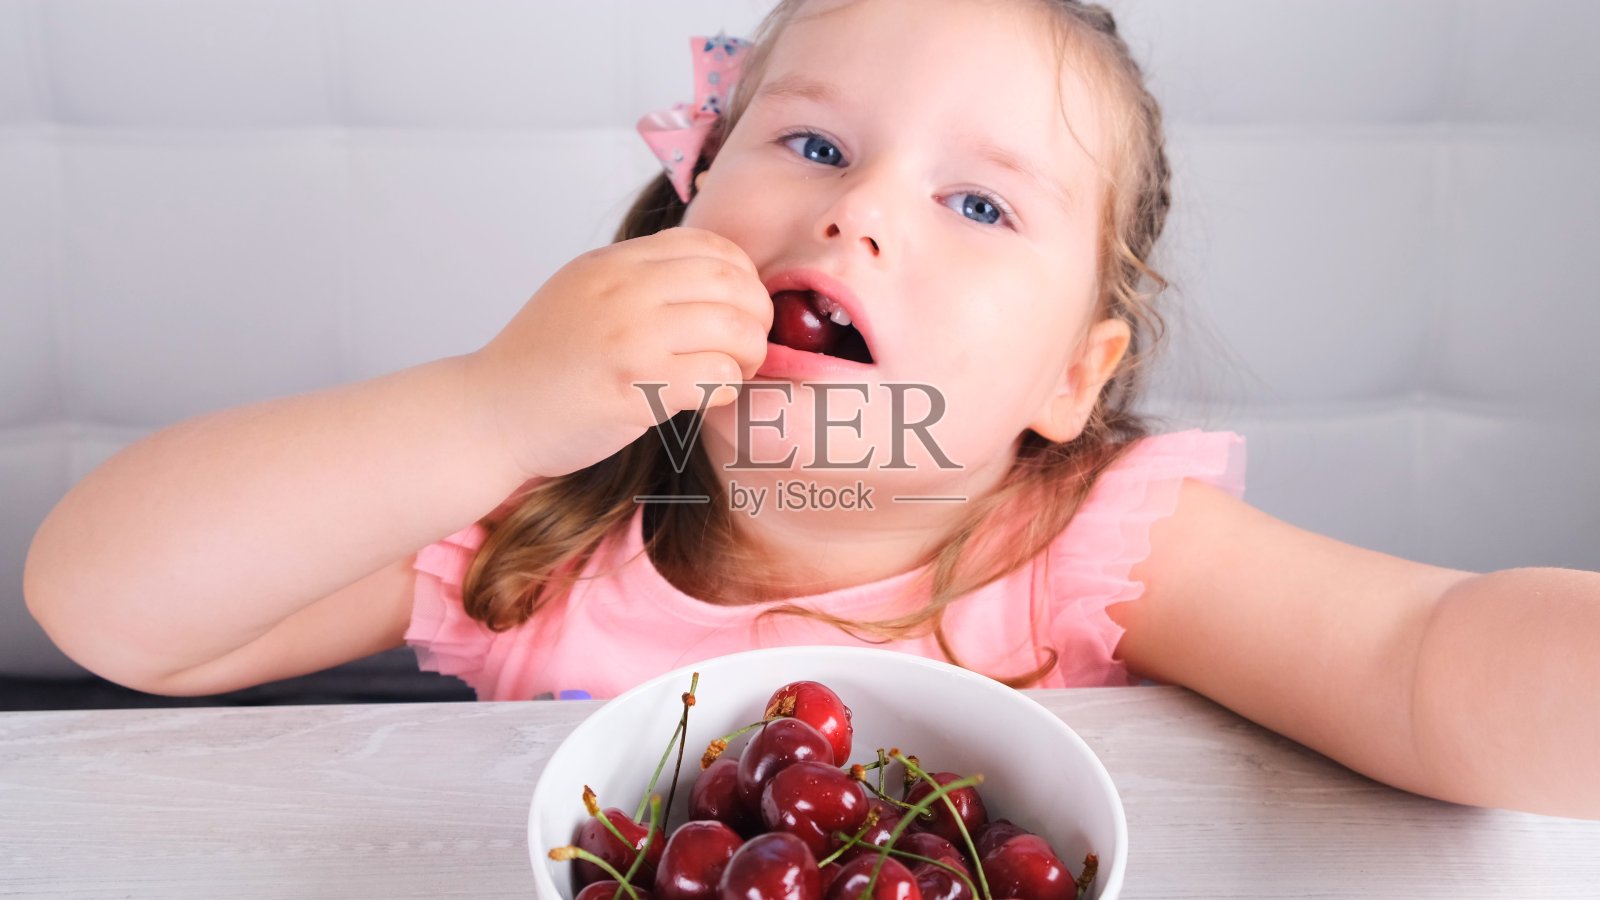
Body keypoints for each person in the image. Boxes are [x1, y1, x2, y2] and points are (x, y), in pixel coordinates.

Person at [23, 0, 1600, 820]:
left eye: (979, 205)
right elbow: (117, 617)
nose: (857, 216)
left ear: (1072, 379)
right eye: (817, 147)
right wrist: (489, 409)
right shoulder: (539, 521)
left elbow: (1419, 661)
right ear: (692, 199)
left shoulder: (1086, 551)